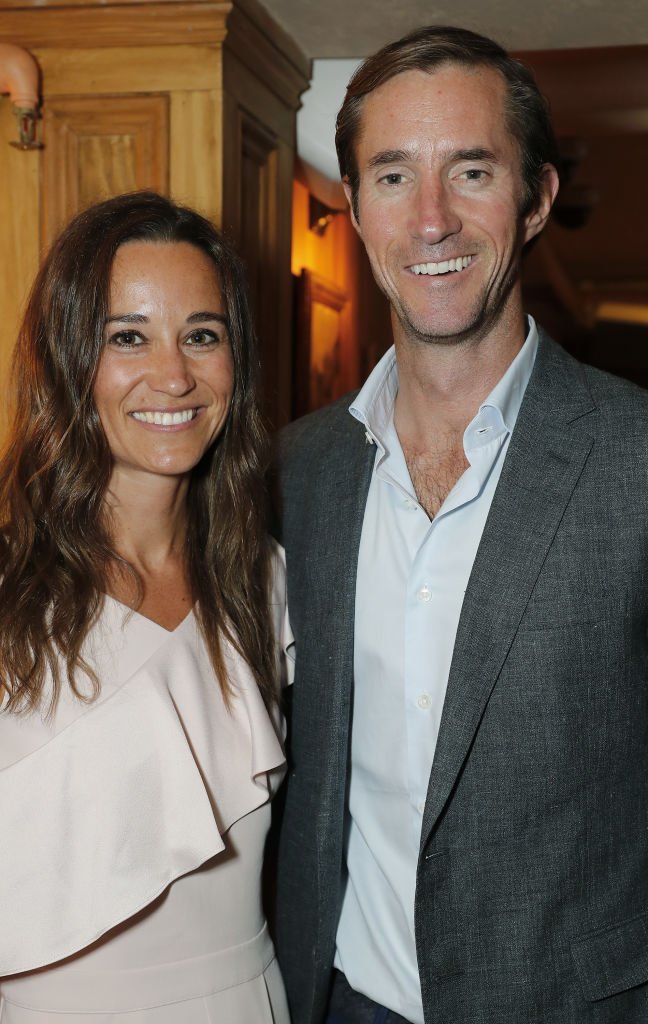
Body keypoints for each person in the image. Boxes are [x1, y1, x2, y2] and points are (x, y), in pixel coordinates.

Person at [273, 24, 648, 1024]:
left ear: (535, 201)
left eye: (470, 170)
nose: (430, 220)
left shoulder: (638, 459)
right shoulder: (296, 472)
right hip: (345, 998)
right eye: (393, 178)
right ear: (354, 209)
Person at [0, 191, 292, 1022]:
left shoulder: (264, 583)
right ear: (67, 358)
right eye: (127, 336)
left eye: (202, 334)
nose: (173, 375)